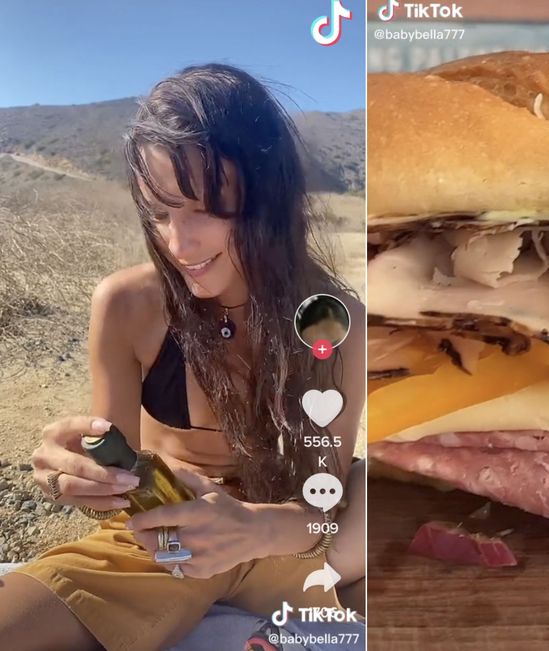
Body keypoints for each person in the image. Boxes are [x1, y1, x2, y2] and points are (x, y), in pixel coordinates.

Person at [0, 63, 366, 651]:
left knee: (381, 495)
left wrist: (251, 528)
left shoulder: (331, 319)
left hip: (284, 544)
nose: (180, 243)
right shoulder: (128, 306)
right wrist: (78, 477)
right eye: (161, 212)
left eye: (207, 208)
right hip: (168, 547)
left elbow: (321, 506)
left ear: (268, 198)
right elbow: (114, 488)